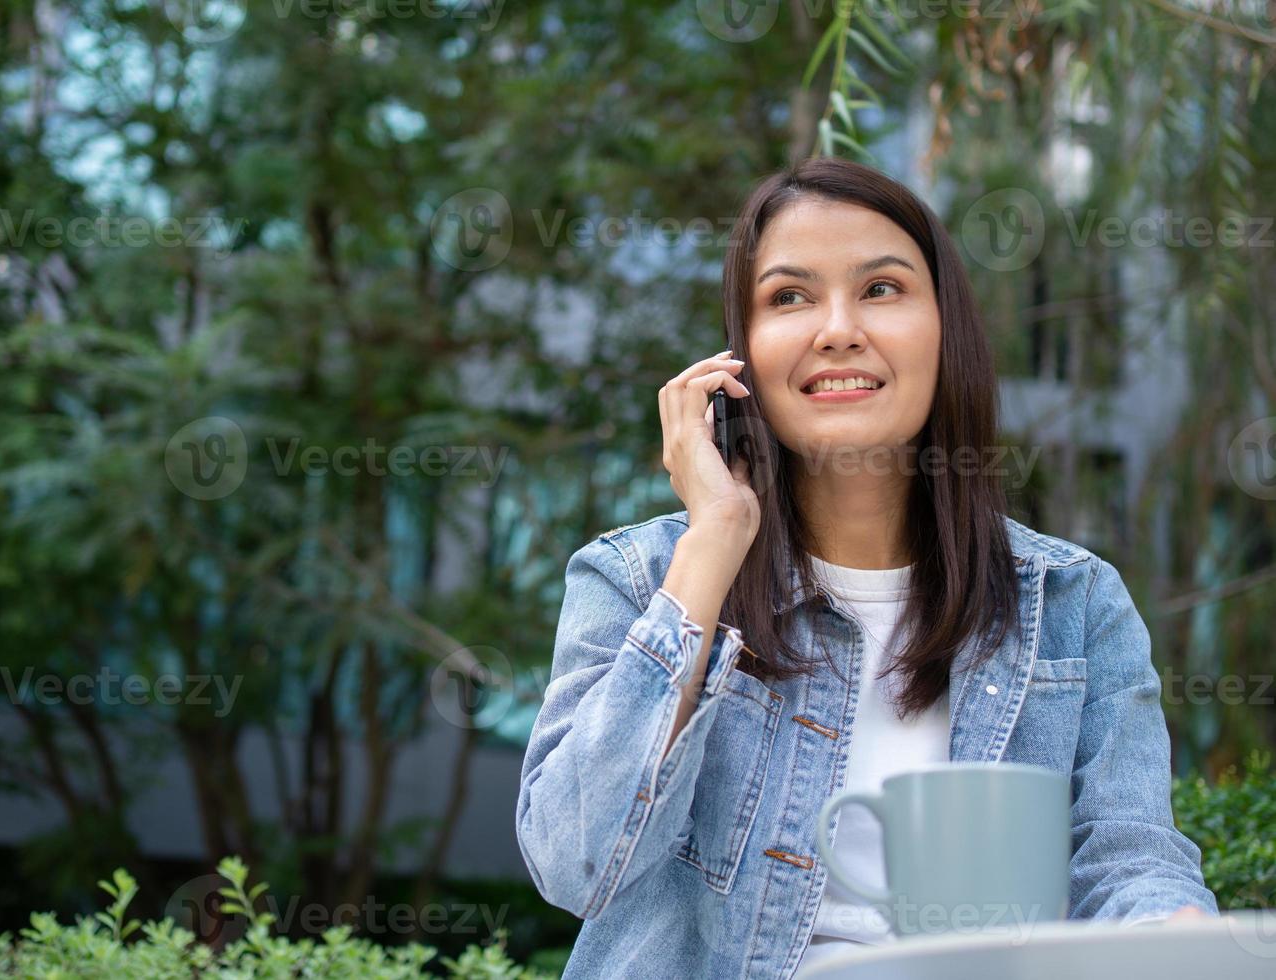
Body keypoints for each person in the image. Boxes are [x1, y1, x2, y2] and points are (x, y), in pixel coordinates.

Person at [514, 158, 1216, 979]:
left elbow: (1127, 856)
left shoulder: (1072, 601)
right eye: (789, 297)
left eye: (882, 289)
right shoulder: (635, 578)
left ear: (945, 327)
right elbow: (573, 864)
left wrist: (1176, 931)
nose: (837, 328)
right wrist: (713, 545)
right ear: (740, 356)